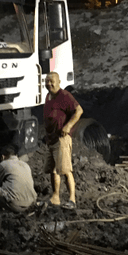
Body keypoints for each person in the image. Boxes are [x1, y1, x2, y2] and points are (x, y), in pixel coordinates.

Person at [43, 72, 83, 209]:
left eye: (52, 81)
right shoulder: (48, 97)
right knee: (53, 170)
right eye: (47, 81)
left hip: (62, 139)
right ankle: (55, 197)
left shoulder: (64, 96)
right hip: (52, 139)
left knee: (65, 170)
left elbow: (79, 111)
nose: (49, 84)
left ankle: (72, 199)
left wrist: (68, 125)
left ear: (59, 81)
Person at [0, 145, 36, 220]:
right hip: (30, 204)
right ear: (16, 155)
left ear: (3, 157)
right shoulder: (26, 165)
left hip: (16, 204)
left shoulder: (4, 164)